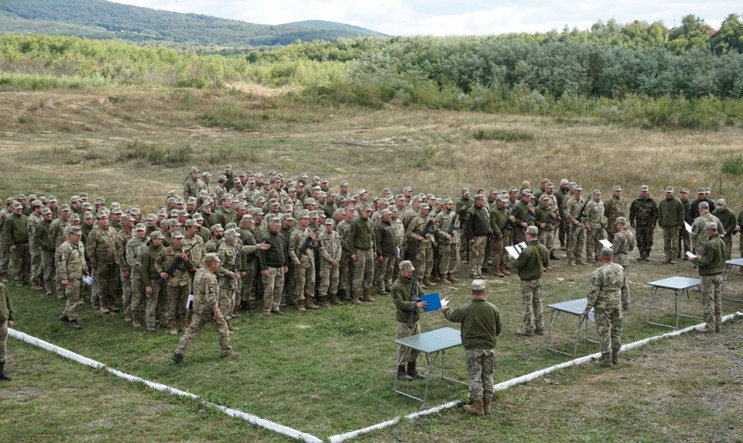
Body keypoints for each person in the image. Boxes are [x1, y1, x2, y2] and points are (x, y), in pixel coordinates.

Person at [440, 279, 501, 416]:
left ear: (471, 292)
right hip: (489, 347)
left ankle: (478, 405)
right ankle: (487, 403)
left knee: (475, 376)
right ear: (484, 292)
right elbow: (498, 329)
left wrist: (445, 310)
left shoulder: (466, 308)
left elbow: (451, 316)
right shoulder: (493, 308)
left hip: (473, 348)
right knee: (488, 375)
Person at [171, 253, 239, 363]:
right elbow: (210, 297)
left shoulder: (200, 272)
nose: (218, 264)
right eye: (217, 262)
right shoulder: (209, 277)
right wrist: (216, 311)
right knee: (222, 326)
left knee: (192, 330)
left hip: (198, 307)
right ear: (211, 264)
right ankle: (226, 351)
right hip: (208, 309)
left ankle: (178, 353)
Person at [582, 248, 625, 367]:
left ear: (601, 257)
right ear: (612, 256)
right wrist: (625, 301)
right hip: (616, 303)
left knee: (604, 330)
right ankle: (615, 355)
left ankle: (606, 358)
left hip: (603, 306)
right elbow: (625, 286)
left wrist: (587, 308)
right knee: (616, 330)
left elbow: (594, 292)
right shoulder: (620, 269)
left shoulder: (599, 272)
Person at [391, 260, 427, 382]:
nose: (410, 274)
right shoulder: (397, 286)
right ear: (401, 271)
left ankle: (412, 368)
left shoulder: (414, 282)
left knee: (416, 345)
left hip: (415, 319)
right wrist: (415, 305)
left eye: (411, 271)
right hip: (404, 321)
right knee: (405, 346)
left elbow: (422, 294)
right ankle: (401, 370)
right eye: (407, 272)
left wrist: (430, 301)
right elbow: (400, 304)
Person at [688, 223, 726, 333]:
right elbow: (714, 257)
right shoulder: (721, 242)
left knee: (708, 301)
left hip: (709, 275)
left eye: (706, 230)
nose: (705, 232)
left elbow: (706, 261)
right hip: (719, 274)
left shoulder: (710, 244)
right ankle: (718, 325)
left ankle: (710, 326)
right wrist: (702, 257)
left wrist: (694, 259)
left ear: (710, 230)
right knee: (717, 300)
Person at [512, 226, 549, 337]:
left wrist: (512, 257)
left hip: (527, 281)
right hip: (538, 279)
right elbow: (546, 264)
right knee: (538, 303)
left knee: (527, 305)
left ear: (528, 235)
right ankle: (540, 327)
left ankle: (528, 329)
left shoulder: (527, 251)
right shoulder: (543, 248)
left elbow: (518, 265)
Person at [57, 226, 87, 330]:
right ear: (70, 235)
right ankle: (72, 318)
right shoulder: (64, 247)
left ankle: (66, 314)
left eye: (80, 235)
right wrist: (64, 277)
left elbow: (82, 259)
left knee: (78, 295)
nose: (79, 237)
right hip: (71, 277)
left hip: (80, 274)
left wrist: (86, 271)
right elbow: (61, 263)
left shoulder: (80, 244)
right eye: (76, 235)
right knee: (73, 297)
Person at [611, 217, 635, 310]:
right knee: (625, 281)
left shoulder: (618, 235)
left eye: (617, 224)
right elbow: (632, 248)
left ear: (620, 224)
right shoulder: (630, 234)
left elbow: (615, 250)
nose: (616, 226)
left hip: (618, 260)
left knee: (616, 281)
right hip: (626, 259)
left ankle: (617, 302)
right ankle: (626, 302)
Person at [629, 185, 658, 261]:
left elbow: (655, 213)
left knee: (649, 240)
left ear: (648, 192)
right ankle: (641, 254)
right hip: (639, 224)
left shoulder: (652, 201)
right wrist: (632, 222)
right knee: (640, 239)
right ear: (640, 192)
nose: (644, 193)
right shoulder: (636, 202)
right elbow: (632, 212)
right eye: (643, 191)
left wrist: (654, 223)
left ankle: (647, 254)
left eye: (645, 191)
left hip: (649, 225)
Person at [657, 186, 684, 264]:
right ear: (665, 193)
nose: (668, 194)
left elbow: (681, 214)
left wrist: (680, 224)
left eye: (670, 192)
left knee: (675, 242)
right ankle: (667, 257)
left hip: (674, 225)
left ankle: (674, 258)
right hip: (665, 225)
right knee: (666, 242)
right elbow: (660, 214)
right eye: (667, 192)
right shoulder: (662, 202)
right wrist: (660, 222)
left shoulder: (677, 202)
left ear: (673, 193)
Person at [0, 280, 15, 380]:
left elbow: (8, 301)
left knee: (2, 345)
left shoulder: (2, 287)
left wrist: (11, 317)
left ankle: (0, 371)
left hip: (2, 322)